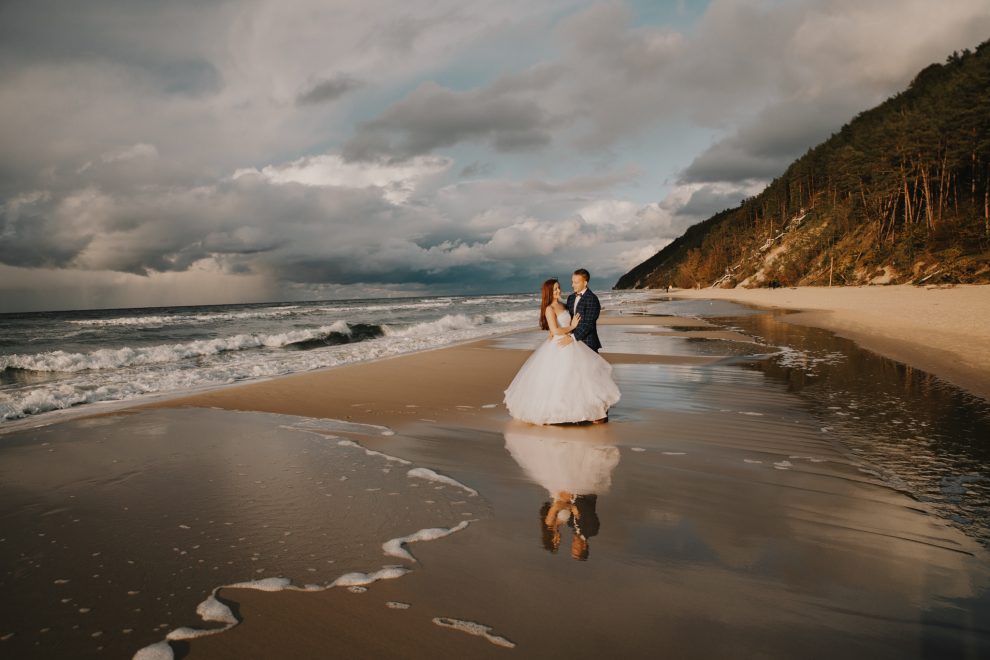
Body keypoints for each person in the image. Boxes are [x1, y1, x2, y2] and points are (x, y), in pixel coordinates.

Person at [503, 278, 619, 425]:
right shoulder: (549, 309)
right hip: (560, 344)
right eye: (554, 289)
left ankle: (586, 411)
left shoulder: (564, 305)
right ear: (548, 292)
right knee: (559, 378)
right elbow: (555, 330)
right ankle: (558, 413)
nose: (558, 291)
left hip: (571, 341)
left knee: (578, 378)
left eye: (558, 288)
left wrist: (572, 330)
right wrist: (572, 327)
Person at [557, 268, 602, 353]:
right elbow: (567, 316)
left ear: (585, 283)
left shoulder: (592, 299)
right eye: (572, 282)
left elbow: (588, 324)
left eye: (576, 282)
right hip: (572, 343)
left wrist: (572, 338)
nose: (572, 285)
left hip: (587, 343)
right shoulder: (570, 298)